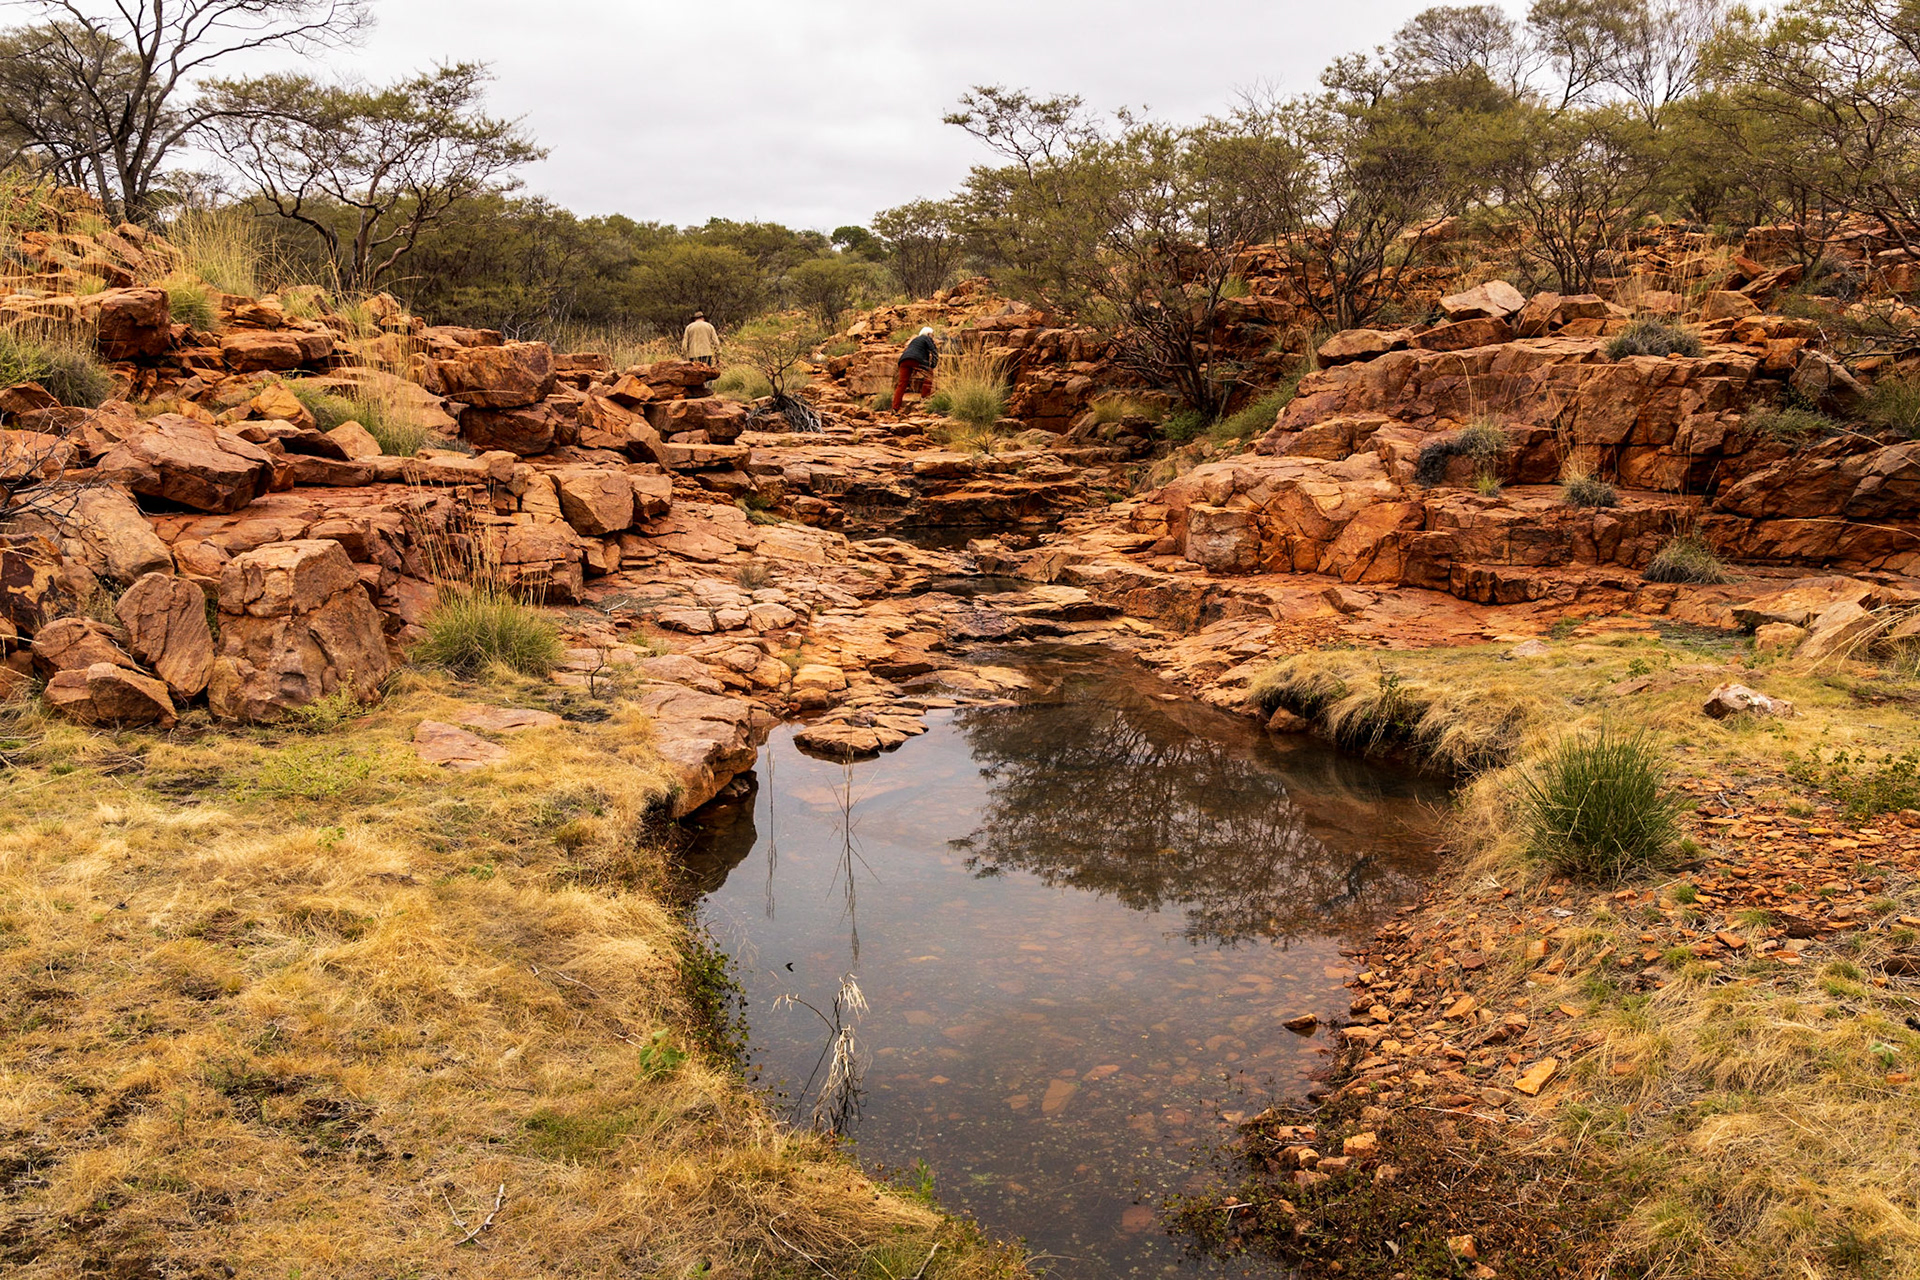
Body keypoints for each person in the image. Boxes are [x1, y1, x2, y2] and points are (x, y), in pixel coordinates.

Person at [891, 326, 939, 413]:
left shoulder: (915, 340)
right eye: (932, 335)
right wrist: (932, 366)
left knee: (902, 384)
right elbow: (934, 351)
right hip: (916, 360)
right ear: (928, 334)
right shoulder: (926, 338)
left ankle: (895, 407)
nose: (933, 337)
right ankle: (925, 400)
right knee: (929, 375)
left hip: (903, 361)